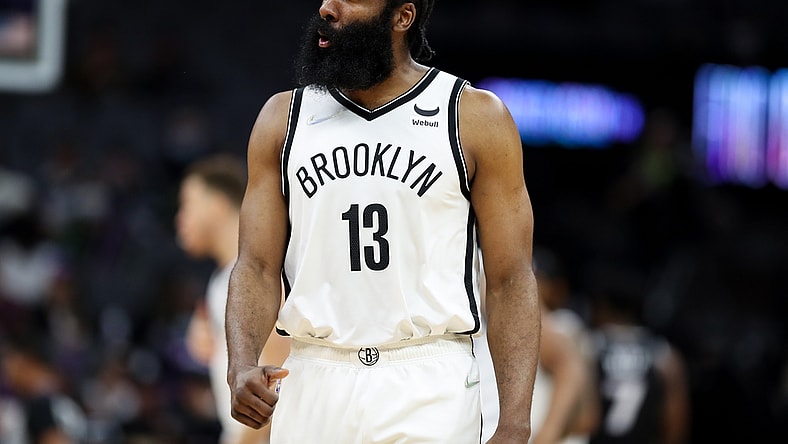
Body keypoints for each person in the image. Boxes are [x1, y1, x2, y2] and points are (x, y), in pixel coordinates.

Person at [225, 1, 541, 442]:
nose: (327, 8)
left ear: (402, 16)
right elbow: (255, 265)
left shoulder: (473, 117)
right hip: (313, 374)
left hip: (428, 377)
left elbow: (511, 279)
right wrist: (240, 363)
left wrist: (515, 421)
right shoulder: (283, 119)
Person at [175, 153, 291, 444]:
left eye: (187, 204)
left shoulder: (262, 277)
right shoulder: (220, 280)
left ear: (216, 206)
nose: (179, 219)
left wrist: (248, 440)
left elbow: (281, 373)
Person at [585, 262, 690, 444]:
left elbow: (582, 416)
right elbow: (675, 425)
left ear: (603, 305)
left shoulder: (589, 347)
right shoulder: (664, 356)